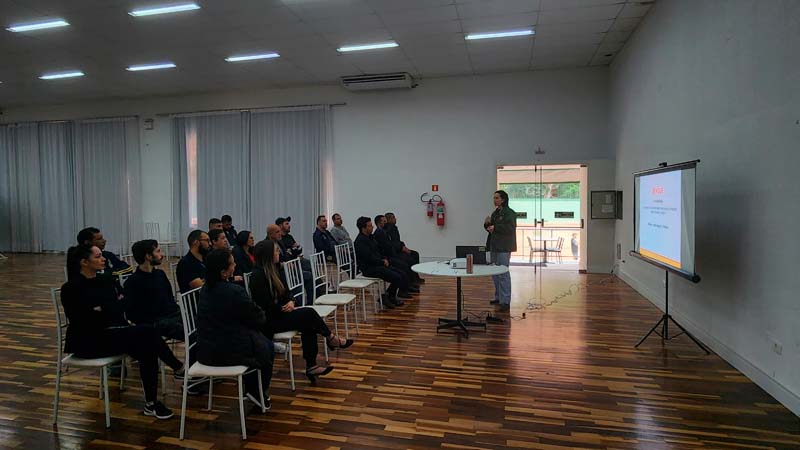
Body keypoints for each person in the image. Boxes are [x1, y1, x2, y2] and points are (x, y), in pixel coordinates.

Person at [61, 244, 184, 419]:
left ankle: (152, 403)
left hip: (112, 334)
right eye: (98, 256)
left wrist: (102, 308)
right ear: (84, 262)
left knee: (147, 346)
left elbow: (123, 304)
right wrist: (108, 307)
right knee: (147, 332)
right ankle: (177, 368)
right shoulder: (71, 288)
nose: (103, 259)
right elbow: (83, 319)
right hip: (88, 341)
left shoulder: (105, 280)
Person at [249, 240, 353, 383]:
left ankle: (313, 365)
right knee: (308, 314)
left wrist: (291, 301)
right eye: (276, 251)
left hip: (281, 313)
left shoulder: (275, 269)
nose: (279, 253)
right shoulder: (258, 276)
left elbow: (287, 292)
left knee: (308, 323)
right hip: (269, 320)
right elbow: (264, 305)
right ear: (268, 254)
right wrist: (284, 307)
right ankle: (330, 339)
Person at [196, 248, 274, 410]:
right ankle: (256, 391)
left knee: (258, 341)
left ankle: (254, 391)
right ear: (224, 272)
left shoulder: (204, 291)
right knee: (266, 346)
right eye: (232, 264)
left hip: (205, 351)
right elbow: (258, 318)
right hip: (229, 352)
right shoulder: (235, 291)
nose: (235, 265)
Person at [125, 240, 183, 342]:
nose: (162, 254)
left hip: (171, 316)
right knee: (188, 330)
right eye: (158, 251)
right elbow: (132, 314)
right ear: (148, 256)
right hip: (155, 323)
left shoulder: (160, 274)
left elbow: (170, 298)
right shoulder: (132, 282)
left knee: (201, 320)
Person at [353, 216, 409, 307]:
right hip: (369, 269)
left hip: (377, 265)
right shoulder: (360, 241)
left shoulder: (370, 237)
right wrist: (382, 262)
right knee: (397, 277)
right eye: (370, 226)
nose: (372, 227)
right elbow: (369, 258)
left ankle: (388, 296)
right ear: (363, 228)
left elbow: (378, 251)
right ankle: (388, 297)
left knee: (401, 273)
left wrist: (384, 259)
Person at [267, 224, 315, 304]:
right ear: (271, 234)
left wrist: (291, 261)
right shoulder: (267, 245)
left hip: (289, 269)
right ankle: (298, 305)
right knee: (296, 282)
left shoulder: (280, 242)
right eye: (277, 232)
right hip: (278, 273)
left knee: (308, 275)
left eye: (279, 231)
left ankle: (311, 302)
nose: (280, 233)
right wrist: (282, 264)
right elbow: (269, 264)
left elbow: (287, 255)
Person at [485, 190, 517, 312]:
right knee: (495, 273)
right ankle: (498, 297)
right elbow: (491, 229)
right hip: (494, 246)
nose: (494, 200)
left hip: (504, 247)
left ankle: (505, 301)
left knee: (503, 273)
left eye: (497, 198)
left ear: (503, 199)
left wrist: (496, 227)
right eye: (494, 198)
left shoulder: (510, 213)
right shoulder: (495, 213)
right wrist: (487, 224)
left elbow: (510, 228)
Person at [373, 215, 419, 293]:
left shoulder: (384, 231)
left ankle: (408, 285)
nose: (386, 223)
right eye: (384, 221)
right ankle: (404, 289)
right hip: (387, 257)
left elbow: (392, 243)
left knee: (406, 262)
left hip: (390, 255)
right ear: (379, 223)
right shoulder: (380, 233)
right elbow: (386, 247)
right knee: (403, 265)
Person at [384, 212, 423, 283]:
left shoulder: (393, 228)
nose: (395, 219)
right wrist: (402, 248)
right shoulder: (389, 229)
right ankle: (412, 279)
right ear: (389, 219)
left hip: (399, 249)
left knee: (415, 254)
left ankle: (415, 276)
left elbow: (397, 241)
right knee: (410, 259)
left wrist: (403, 246)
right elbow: (392, 243)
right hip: (395, 252)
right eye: (393, 217)